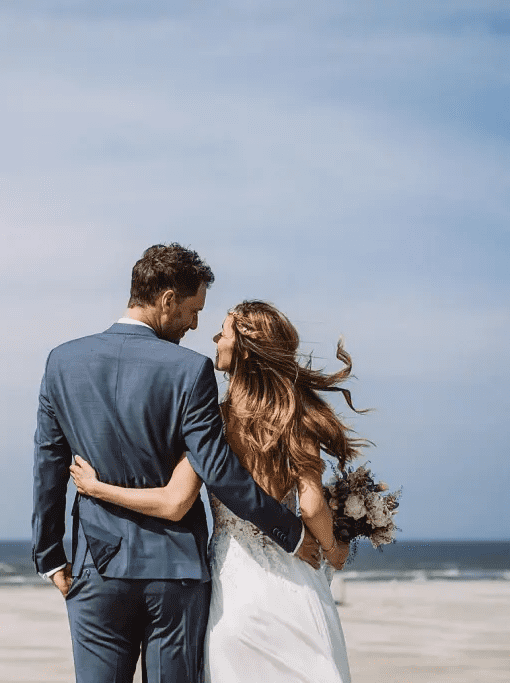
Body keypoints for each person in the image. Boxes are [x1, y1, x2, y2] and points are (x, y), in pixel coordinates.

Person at [31, 244, 321, 683]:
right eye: (192, 310)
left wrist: (50, 555)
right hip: (176, 573)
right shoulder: (191, 370)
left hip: (97, 565)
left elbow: (48, 464)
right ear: (167, 300)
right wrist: (290, 532)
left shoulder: (62, 362)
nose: (195, 324)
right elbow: (219, 470)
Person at [71, 300, 368, 682]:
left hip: (236, 594)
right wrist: (333, 550)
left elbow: (174, 502)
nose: (214, 337)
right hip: (296, 586)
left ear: (244, 348)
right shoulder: (300, 417)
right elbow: (311, 507)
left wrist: (98, 488)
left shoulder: (215, 423)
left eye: (223, 332)